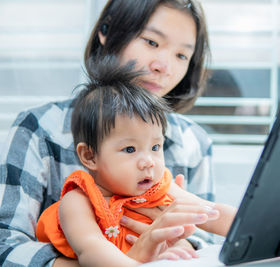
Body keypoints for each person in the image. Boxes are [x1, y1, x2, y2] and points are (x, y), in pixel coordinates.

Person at [0, 0, 220, 266]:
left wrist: (178, 241)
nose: (165, 66)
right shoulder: (39, 128)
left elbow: (208, 239)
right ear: (106, 31)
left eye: (182, 55)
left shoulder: (194, 142)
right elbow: (6, 246)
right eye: (151, 42)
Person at [36, 56, 223, 265]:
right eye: (130, 149)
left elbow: (210, 212)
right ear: (89, 156)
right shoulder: (78, 201)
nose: (148, 162)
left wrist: (178, 247)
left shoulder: (160, 188)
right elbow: (91, 249)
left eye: (155, 147)